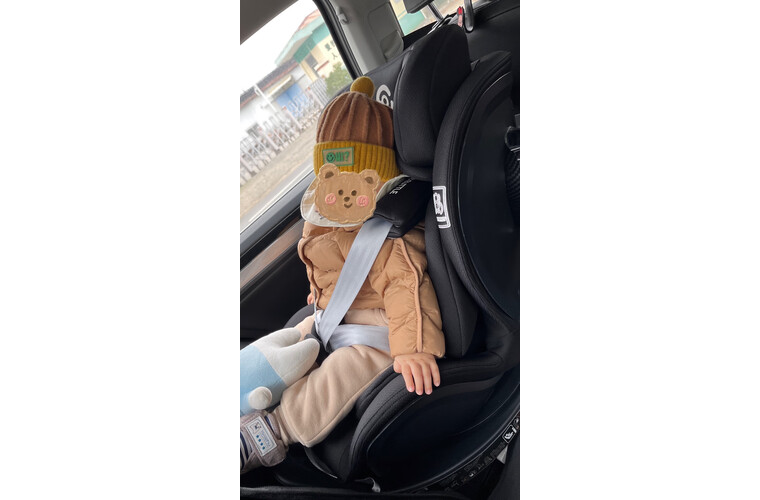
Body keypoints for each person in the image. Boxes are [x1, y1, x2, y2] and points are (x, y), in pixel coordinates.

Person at [240, 77, 444, 473]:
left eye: (356, 186)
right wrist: (321, 293)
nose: (342, 198)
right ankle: (245, 384)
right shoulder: (322, 214)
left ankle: (276, 429)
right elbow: (323, 259)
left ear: (378, 180)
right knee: (293, 338)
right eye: (333, 183)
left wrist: (413, 347)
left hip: (383, 330)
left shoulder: (391, 232)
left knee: (342, 373)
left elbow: (406, 286)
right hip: (337, 313)